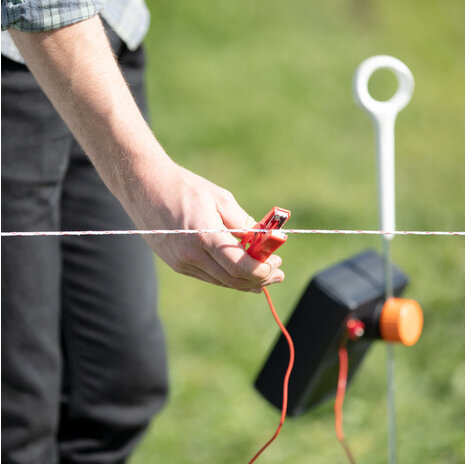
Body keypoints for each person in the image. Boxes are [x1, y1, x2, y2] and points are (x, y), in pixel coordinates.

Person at [1, 1, 285, 463]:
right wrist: (146, 180)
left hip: (106, 41)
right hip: (15, 60)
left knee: (116, 391)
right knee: (15, 416)